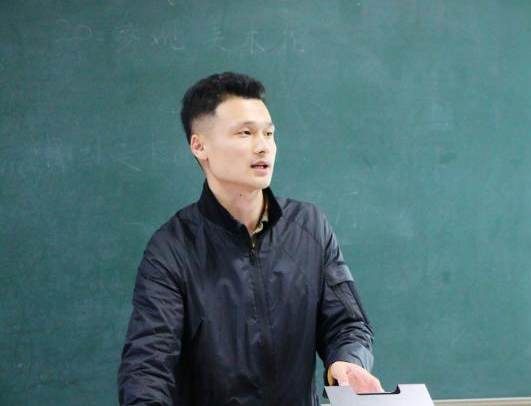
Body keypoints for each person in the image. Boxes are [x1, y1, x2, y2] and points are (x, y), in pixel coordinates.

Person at [117, 72, 382, 405]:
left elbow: (348, 324)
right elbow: (147, 368)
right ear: (199, 146)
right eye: (245, 133)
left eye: (269, 133)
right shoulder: (172, 249)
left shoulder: (310, 228)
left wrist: (346, 361)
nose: (263, 146)